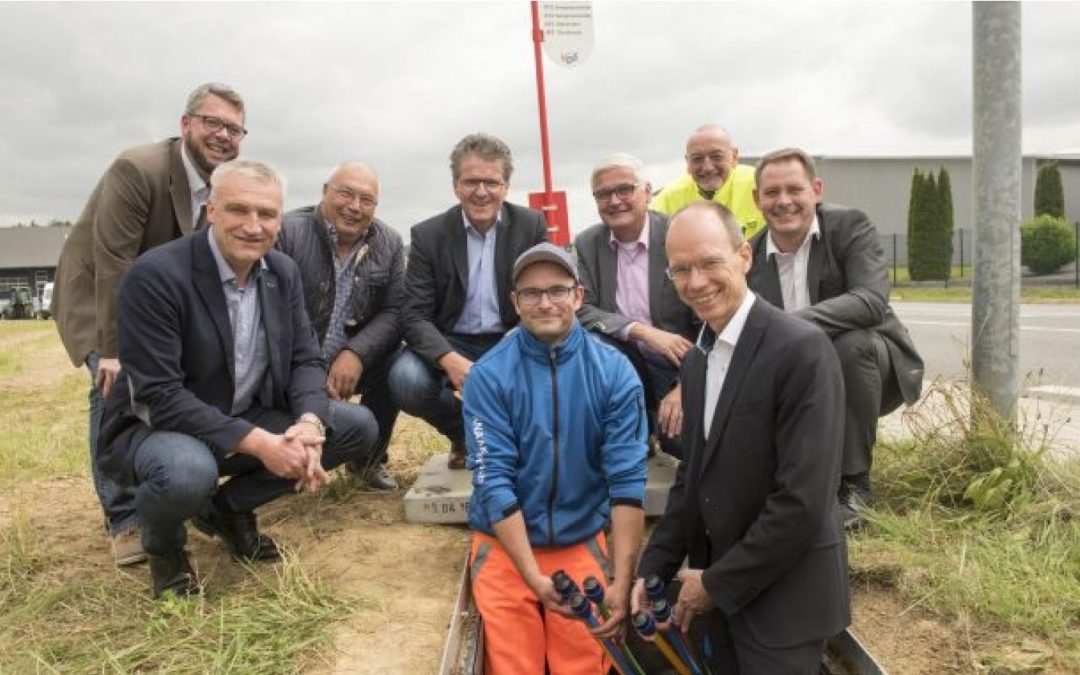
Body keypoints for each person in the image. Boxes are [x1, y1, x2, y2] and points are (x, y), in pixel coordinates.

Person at [97, 160, 378, 599]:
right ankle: (166, 549)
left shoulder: (282, 273)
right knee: (188, 471)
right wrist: (261, 444)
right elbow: (161, 395)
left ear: (279, 220)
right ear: (211, 211)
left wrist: (308, 423)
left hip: (244, 411)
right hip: (161, 429)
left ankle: (225, 511)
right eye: (238, 210)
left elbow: (305, 359)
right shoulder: (156, 276)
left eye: (266, 214)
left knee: (356, 428)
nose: (253, 226)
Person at [634, 201, 849, 674]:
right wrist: (653, 569)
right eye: (681, 270)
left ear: (744, 257)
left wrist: (716, 583)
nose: (696, 283)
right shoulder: (696, 362)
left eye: (710, 263)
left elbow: (803, 500)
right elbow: (693, 477)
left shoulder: (801, 350)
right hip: (720, 595)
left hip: (785, 603)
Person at [52, 82, 248, 566]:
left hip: (160, 306)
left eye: (234, 128)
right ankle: (124, 519)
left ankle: (173, 490)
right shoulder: (138, 169)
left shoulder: (220, 184)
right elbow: (114, 263)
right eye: (212, 123)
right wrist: (115, 351)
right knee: (113, 390)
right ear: (186, 125)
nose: (223, 135)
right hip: (100, 297)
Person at [465, 242, 648, 674]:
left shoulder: (615, 371)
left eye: (557, 290)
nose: (545, 302)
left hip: (580, 540)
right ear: (515, 302)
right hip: (505, 549)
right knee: (513, 667)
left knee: (583, 665)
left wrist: (621, 583)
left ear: (578, 296)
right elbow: (494, 482)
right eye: (531, 292)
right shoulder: (488, 375)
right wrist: (532, 576)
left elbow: (627, 483)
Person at [746, 147, 924, 526]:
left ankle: (855, 485)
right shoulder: (750, 256)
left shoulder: (850, 226)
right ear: (756, 199)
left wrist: (790, 326)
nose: (784, 201)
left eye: (794, 189)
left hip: (871, 367)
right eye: (772, 192)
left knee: (848, 343)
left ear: (816, 189)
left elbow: (870, 301)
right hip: (796, 375)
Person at [389, 133, 547, 469]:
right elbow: (414, 314)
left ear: (505, 186)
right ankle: (466, 435)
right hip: (451, 340)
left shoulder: (530, 226)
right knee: (406, 380)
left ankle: (517, 438)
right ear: (455, 185)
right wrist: (449, 360)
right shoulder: (428, 235)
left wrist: (511, 349)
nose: (481, 191)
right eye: (471, 181)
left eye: (492, 182)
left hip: (510, 336)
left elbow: (543, 297)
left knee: (553, 369)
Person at [277, 161, 404, 491]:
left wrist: (356, 353)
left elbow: (394, 311)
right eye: (345, 194)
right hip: (290, 364)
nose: (354, 207)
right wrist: (306, 369)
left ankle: (368, 462)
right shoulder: (287, 232)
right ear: (324, 192)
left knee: (395, 362)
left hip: (344, 362)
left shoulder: (389, 243)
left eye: (366, 200)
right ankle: (282, 461)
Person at [574, 153, 699, 458]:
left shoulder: (678, 235)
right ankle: (636, 427)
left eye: (624, 189)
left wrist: (688, 384)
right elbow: (582, 308)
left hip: (683, 365)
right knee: (590, 339)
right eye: (603, 194)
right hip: (623, 365)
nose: (614, 200)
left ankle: (659, 426)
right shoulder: (587, 243)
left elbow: (710, 320)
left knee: (680, 445)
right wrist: (642, 331)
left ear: (647, 191)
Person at [650, 124, 765, 238]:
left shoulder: (760, 185)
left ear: (734, 157)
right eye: (697, 159)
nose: (707, 167)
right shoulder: (670, 197)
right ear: (688, 162)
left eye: (717, 157)